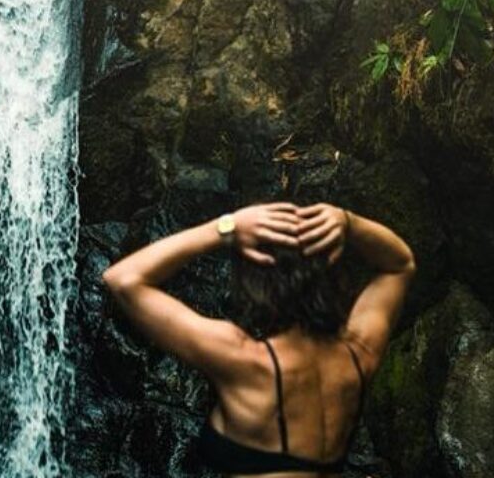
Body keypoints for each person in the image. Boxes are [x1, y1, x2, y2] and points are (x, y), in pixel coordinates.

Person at [103, 202, 416, 476]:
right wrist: (348, 222)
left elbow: (124, 279)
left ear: (258, 285)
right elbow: (399, 265)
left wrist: (226, 227)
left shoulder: (244, 360)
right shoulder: (358, 356)